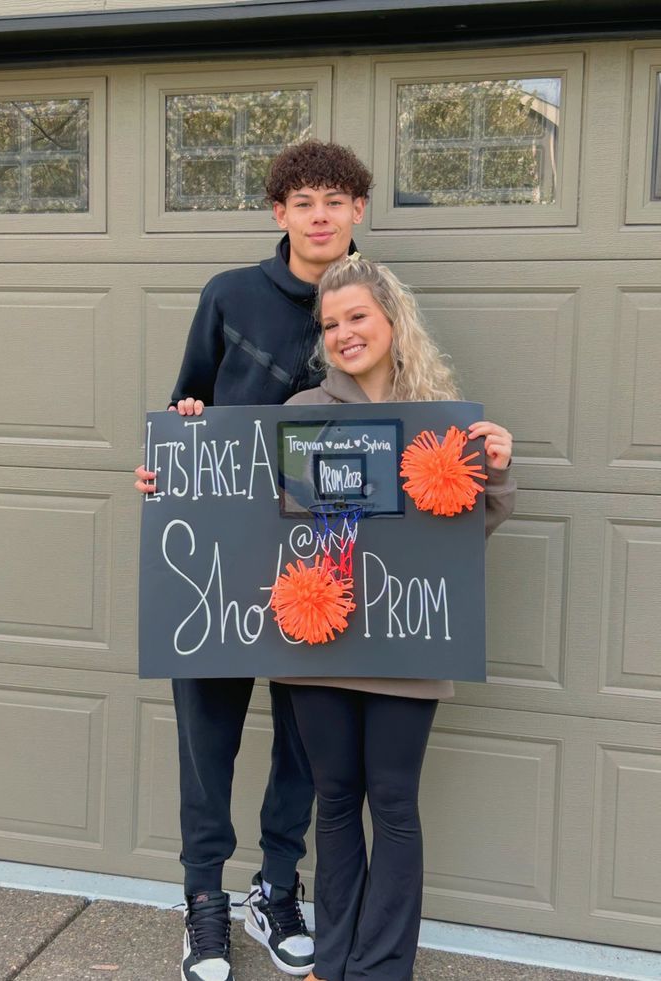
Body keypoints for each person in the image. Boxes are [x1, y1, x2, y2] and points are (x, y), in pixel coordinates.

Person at [133, 141, 374, 981]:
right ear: (279, 213)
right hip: (220, 553)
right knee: (208, 736)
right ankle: (204, 901)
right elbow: (184, 405)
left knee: (308, 741)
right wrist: (171, 450)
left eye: (336, 200)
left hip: (320, 555)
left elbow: (403, 410)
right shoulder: (229, 294)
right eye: (304, 199)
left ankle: (278, 888)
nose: (320, 215)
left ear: (358, 214)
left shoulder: (376, 301)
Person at [281, 255, 517, 981]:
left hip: (407, 645)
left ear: (391, 321)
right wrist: (177, 467)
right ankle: (333, 957)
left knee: (392, 800)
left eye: (357, 316)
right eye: (331, 324)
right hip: (319, 642)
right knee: (335, 797)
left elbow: (459, 538)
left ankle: (383, 967)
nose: (345, 333)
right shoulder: (302, 415)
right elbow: (258, 520)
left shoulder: (438, 422)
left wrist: (497, 472)